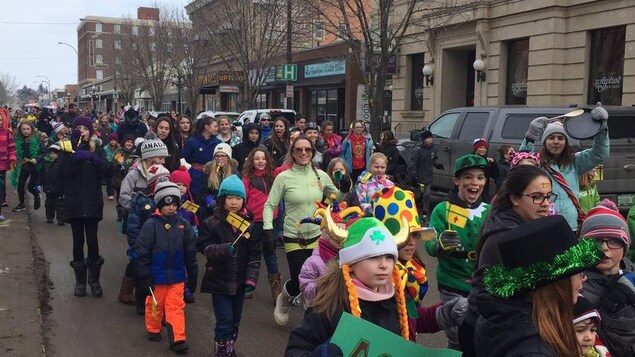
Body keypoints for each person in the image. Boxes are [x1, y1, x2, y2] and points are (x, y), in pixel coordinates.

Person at [459, 165, 555, 356]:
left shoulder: (517, 226)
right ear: (515, 199)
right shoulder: (510, 237)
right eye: (537, 196)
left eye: (549, 196)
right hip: (490, 329)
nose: (545, 203)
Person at [474, 215, 604, 356]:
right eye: (579, 273)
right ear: (558, 284)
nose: (584, 279)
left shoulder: (511, 322)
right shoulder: (534, 350)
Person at [286, 217, 414, 355]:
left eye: (389, 256)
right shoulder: (330, 304)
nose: (384, 265)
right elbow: (296, 349)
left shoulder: (397, 301)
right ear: (351, 263)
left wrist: (437, 316)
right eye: (373, 257)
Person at [263, 135, 345, 326]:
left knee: (321, 279)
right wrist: (268, 227)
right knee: (300, 280)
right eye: (299, 149)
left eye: (307, 149)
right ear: (292, 152)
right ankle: (283, 299)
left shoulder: (320, 176)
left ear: (312, 152)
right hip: (295, 237)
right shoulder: (284, 177)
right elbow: (270, 204)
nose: (303, 153)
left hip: (319, 236)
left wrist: (344, 187)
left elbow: (336, 198)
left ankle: (314, 321)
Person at [425, 153, 491, 349]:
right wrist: (440, 245)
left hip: (482, 285)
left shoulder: (490, 210)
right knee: (458, 335)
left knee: (481, 335)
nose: (475, 182)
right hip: (452, 284)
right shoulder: (442, 209)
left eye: (480, 177)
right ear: (457, 181)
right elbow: (429, 244)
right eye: (468, 177)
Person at [197, 175, 262, 357]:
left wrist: (251, 279)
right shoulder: (212, 222)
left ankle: (229, 349)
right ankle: (222, 352)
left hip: (240, 281)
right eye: (230, 198)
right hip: (219, 280)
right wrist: (224, 249)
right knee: (224, 321)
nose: (234, 202)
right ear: (222, 199)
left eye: (238, 198)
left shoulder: (248, 224)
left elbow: (255, 253)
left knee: (235, 321)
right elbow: (203, 246)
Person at [520, 104, 610, 231]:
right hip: (544, 225)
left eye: (560, 138)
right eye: (551, 138)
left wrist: (601, 129)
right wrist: (530, 137)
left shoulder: (575, 162)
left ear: (566, 142)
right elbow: (521, 165)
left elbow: (599, 154)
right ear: (545, 142)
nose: (556, 141)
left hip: (571, 226)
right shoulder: (537, 163)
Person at [134, 181, 198, 354]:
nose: (171, 208)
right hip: (157, 276)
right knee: (156, 304)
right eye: (167, 204)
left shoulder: (184, 225)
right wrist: (144, 276)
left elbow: (191, 251)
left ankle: (178, 339)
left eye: (174, 204)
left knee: (175, 306)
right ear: (159, 205)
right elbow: (141, 252)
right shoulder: (151, 225)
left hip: (177, 275)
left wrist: (192, 273)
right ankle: (154, 328)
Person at [60, 116, 112, 298]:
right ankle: (80, 281)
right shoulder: (66, 149)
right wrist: (75, 154)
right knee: (77, 241)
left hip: (91, 202)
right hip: (74, 202)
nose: (82, 131)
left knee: (92, 240)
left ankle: (94, 279)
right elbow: (64, 172)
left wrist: (93, 157)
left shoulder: (97, 148)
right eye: (78, 128)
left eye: (85, 128)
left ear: (91, 131)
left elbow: (108, 169)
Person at [118, 134, 170, 310]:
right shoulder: (134, 174)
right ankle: (126, 291)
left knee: (153, 259)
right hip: (138, 223)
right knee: (137, 258)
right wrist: (138, 206)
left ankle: (149, 295)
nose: (163, 161)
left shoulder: (163, 173)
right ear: (149, 157)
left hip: (157, 224)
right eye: (160, 157)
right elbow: (123, 196)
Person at [578, 204, 635, 356]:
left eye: (614, 241)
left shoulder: (632, 277)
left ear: (625, 246)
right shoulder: (578, 287)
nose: (604, 248)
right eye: (596, 241)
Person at [298, 200, 363, 306]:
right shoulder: (314, 261)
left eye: (344, 232)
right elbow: (305, 284)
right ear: (326, 234)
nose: (340, 238)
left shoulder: (350, 257)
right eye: (335, 233)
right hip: (319, 308)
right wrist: (322, 289)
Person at [242, 148, 280, 302]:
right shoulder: (247, 179)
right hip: (254, 222)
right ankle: (249, 284)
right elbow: (243, 198)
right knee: (253, 253)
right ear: (252, 161)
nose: (260, 161)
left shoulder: (274, 176)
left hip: (271, 221)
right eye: (257, 158)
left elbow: (288, 165)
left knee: (271, 254)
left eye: (263, 158)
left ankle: (276, 289)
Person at [171, 165, 200, 304]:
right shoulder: (170, 202)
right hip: (173, 239)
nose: (181, 187)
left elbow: (194, 220)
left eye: (183, 185)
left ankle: (186, 288)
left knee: (188, 265)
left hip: (187, 239)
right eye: (177, 184)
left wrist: (194, 234)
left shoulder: (190, 201)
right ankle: (176, 289)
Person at [182, 116, 220, 202]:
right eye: (215, 126)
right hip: (195, 177)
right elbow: (185, 159)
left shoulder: (218, 143)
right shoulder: (192, 142)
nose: (217, 129)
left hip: (212, 175)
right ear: (207, 127)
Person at [10, 120, 44, 212]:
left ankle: (36, 194)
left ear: (31, 129)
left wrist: (36, 159)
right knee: (20, 185)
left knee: (30, 187)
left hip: (35, 166)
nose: (25, 131)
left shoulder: (37, 138)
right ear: (20, 130)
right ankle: (22, 204)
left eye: (28, 129)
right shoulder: (18, 139)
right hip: (24, 166)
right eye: (23, 129)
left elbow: (44, 152)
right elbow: (14, 150)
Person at [409, 129, 444, 219]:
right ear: (423, 140)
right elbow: (413, 164)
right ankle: (414, 210)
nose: (430, 140)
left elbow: (433, 160)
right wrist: (414, 175)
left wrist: (437, 165)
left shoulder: (433, 149)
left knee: (427, 194)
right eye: (427, 138)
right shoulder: (417, 150)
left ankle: (425, 212)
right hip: (419, 177)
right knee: (418, 195)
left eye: (431, 138)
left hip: (428, 176)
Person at [200, 143, 238, 220]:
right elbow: (203, 192)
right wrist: (207, 199)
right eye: (217, 156)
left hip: (230, 210)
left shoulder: (235, 174)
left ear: (228, 158)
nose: (220, 158)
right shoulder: (209, 173)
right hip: (212, 212)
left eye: (223, 156)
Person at [41, 144, 65, 225]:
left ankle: (61, 219)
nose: (53, 155)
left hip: (59, 187)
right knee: (49, 203)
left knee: (59, 204)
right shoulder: (46, 163)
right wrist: (39, 183)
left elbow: (65, 175)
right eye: (51, 153)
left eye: (55, 153)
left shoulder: (61, 164)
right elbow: (42, 174)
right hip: (48, 187)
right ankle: (49, 217)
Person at [472, 138, 499, 203]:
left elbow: (495, 175)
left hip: (484, 193)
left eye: (485, 148)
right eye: (481, 147)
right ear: (476, 148)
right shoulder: (470, 159)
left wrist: (494, 164)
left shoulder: (487, 161)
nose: (483, 150)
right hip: (472, 190)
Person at [0, 108, 16, 220]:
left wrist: (12, 159)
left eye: (1, 120)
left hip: (2, 165)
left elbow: (12, 149)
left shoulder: (7, 133)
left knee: (0, 189)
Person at [103, 133, 120, 200]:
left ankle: (116, 192)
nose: (113, 142)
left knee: (116, 180)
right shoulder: (105, 148)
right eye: (111, 140)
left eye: (114, 140)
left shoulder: (119, 148)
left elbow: (120, 158)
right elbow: (104, 157)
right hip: (108, 166)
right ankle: (110, 193)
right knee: (109, 180)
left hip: (116, 165)